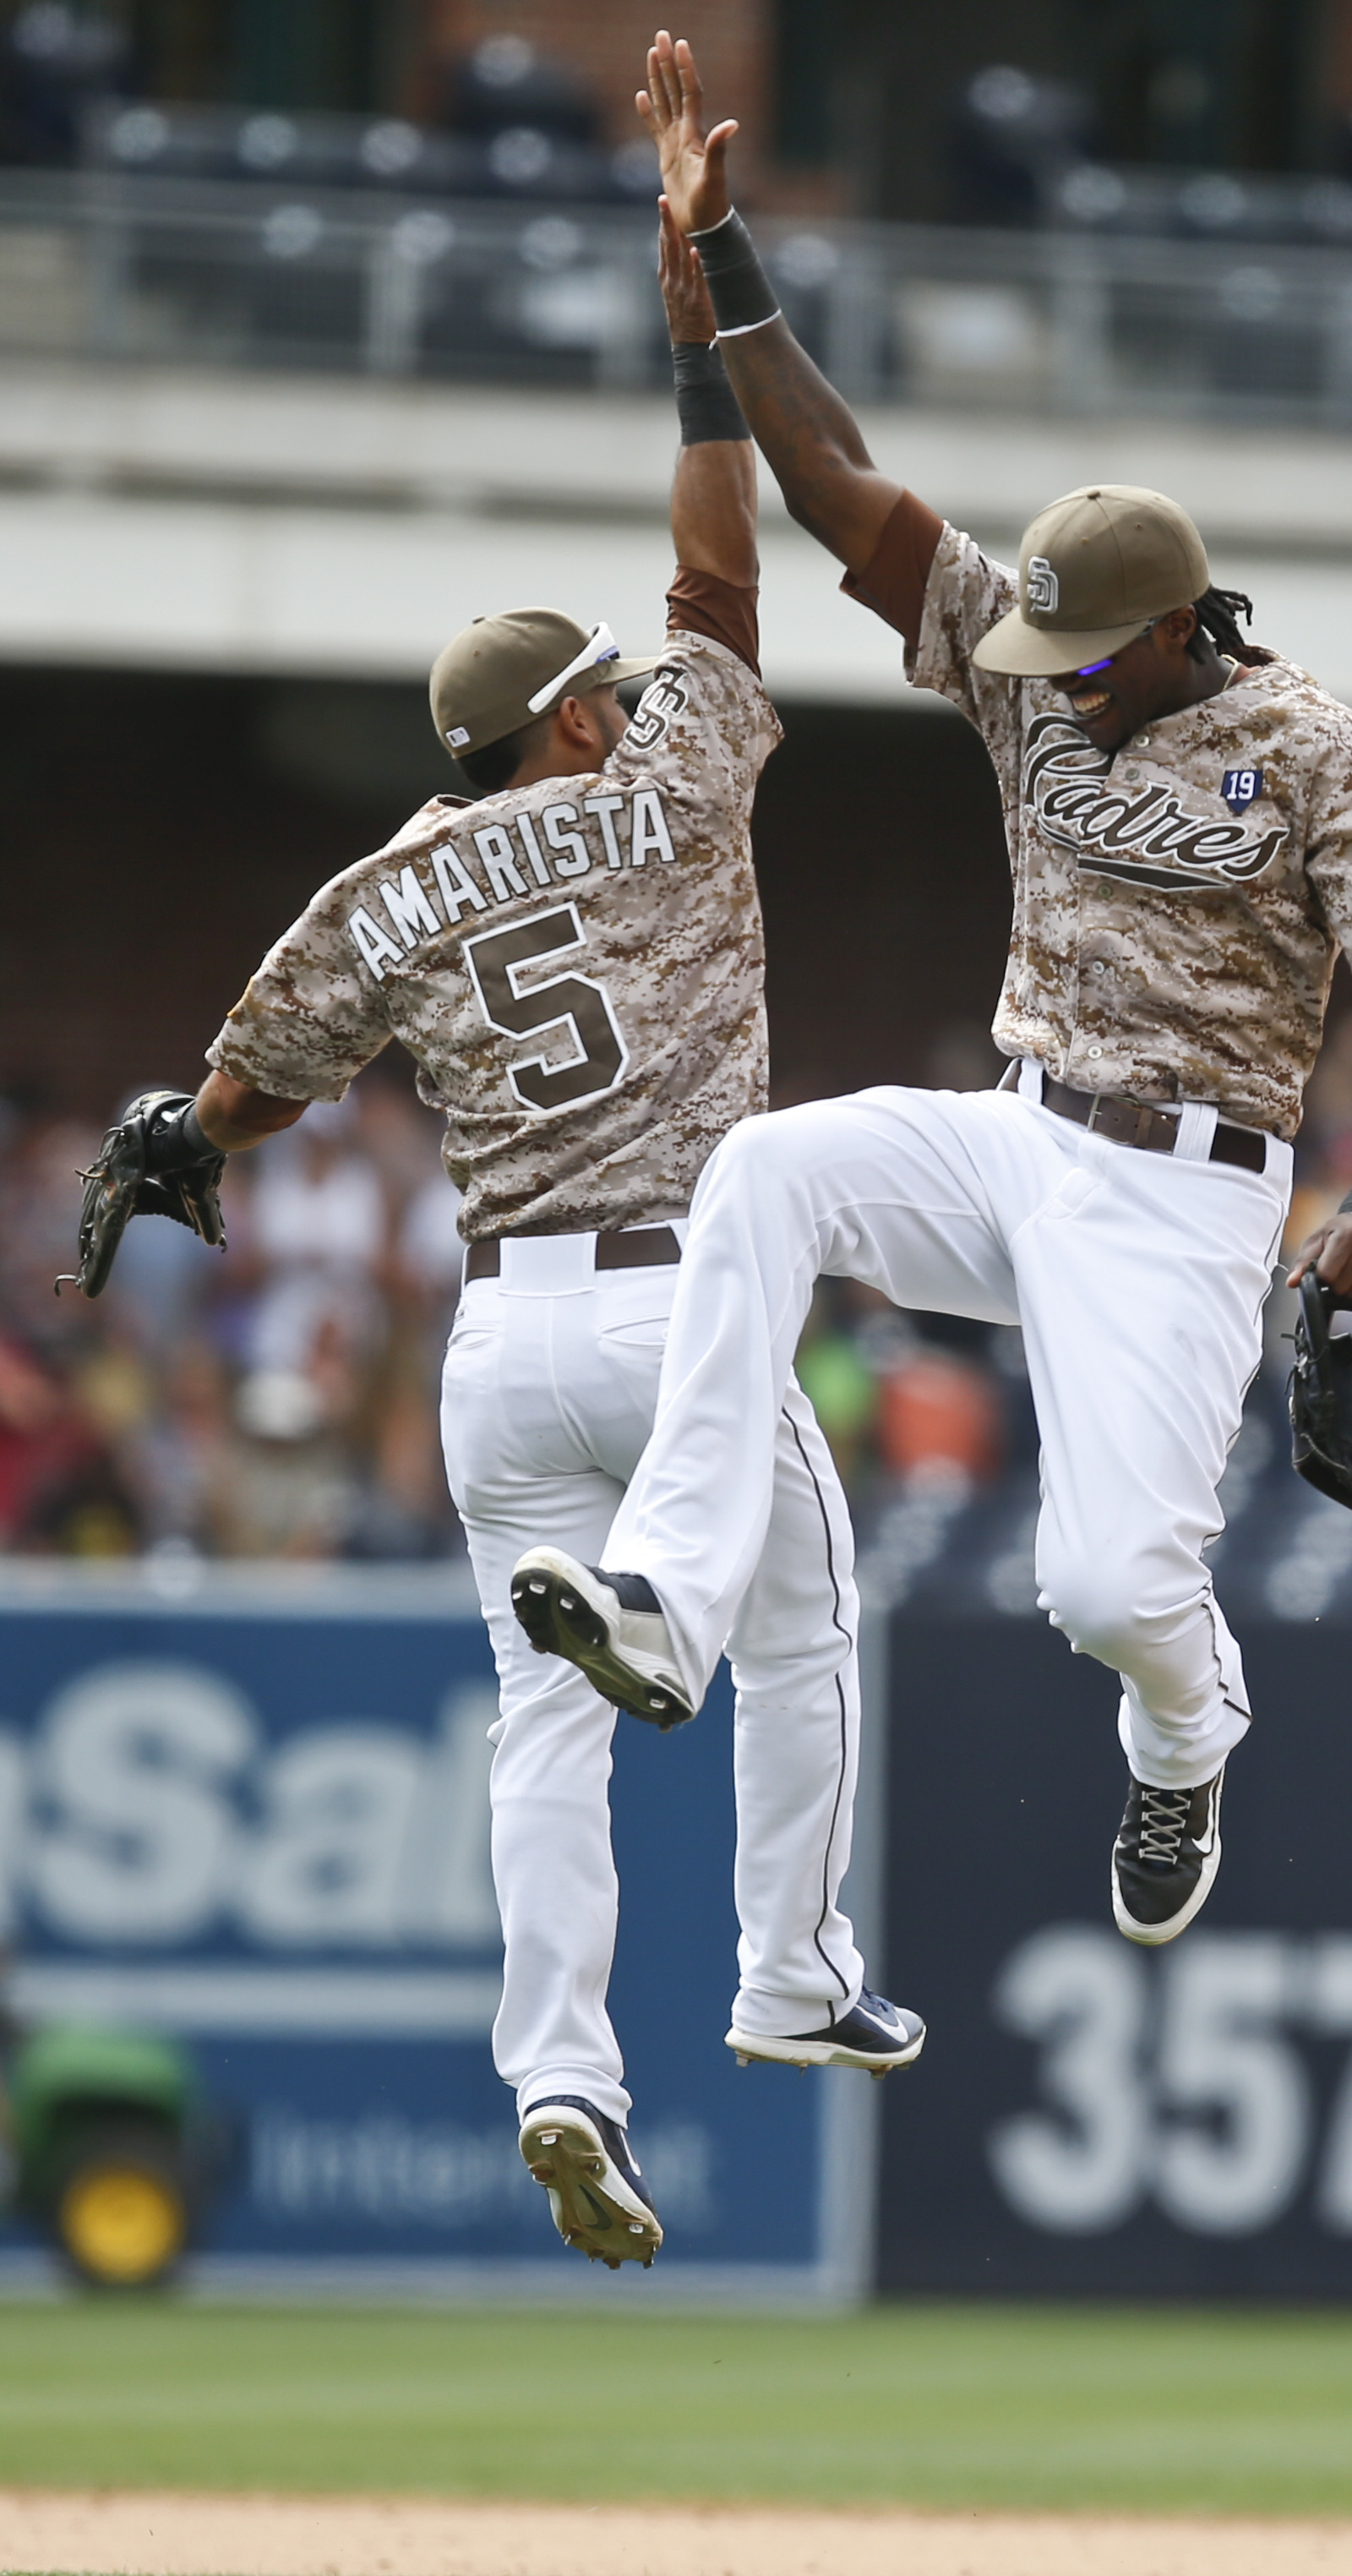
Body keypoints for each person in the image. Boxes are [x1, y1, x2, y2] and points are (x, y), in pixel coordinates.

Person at [510, 34, 1352, 1951]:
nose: (1052, 674)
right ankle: (668, 1602)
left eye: (1090, 650)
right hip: (1014, 1134)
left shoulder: (1320, 754)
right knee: (763, 1173)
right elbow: (834, 485)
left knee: (1105, 1590)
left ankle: (1188, 1733)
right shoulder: (1033, 659)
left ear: (1180, 628)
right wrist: (723, 262)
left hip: (1184, 1196)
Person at [85, 208, 921, 2274]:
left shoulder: (385, 881)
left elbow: (240, 1088)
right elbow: (720, 579)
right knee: (800, 1628)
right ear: (567, 724)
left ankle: (558, 2078)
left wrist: (178, 1139)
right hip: (681, 1306)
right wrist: (691, 338)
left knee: (540, 1725)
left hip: (500, 1347)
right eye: (604, 695)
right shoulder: (667, 786)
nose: (633, 701)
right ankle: (790, 1969)